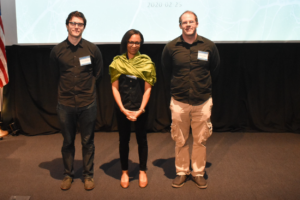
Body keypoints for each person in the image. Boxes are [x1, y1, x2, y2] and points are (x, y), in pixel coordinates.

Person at [161, 11, 220, 189]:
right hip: (179, 101)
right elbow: (166, 71)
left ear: (197, 23)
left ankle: (198, 172)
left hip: (202, 101)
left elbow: (215, 71)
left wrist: (204, 89)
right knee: (180, 139)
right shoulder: (171, 47)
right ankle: (181, 172)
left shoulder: (209, 46)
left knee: (200, 140)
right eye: (184, 22)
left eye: (191, 21)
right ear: (180, 25)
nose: (188, 25)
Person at [49, 11, 103, 191]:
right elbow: (54, 75)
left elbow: (98, 73)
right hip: (65, 104)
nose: (76, 26)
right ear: (67, 25)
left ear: (84, 27)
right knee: (67, 142)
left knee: (88, 141)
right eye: (73, 23)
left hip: (88, 103)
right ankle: (68, 174)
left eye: (79, 24)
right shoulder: (57, 51)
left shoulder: (92, 49)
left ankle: (88, 175)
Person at [109, 29, 156, 188]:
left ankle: (142, 170)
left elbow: (148, 88)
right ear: (125, 43)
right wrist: (122, 108)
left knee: (142, 140)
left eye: (137, 42)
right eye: (131, 42)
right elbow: (114, 88)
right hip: (123, 109)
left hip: (140, 108)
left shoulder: (146, 62)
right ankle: (124, 171)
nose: (134, 45)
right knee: (124, 141)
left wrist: (141, 109)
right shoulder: (117, 62)